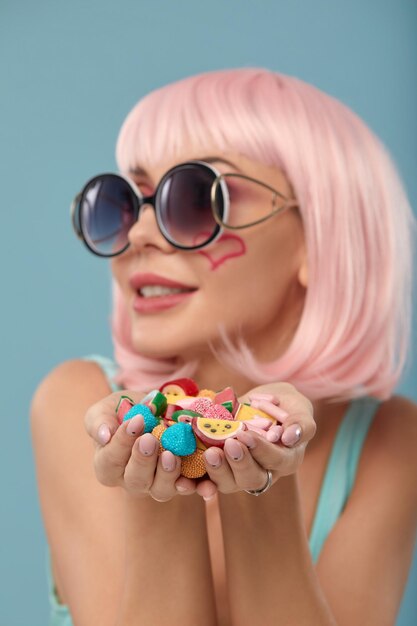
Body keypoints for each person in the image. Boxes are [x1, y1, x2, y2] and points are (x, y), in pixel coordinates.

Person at [31, 68, 417, 626]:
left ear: (319, 238)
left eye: (194, 198)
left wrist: (266, 484)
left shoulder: (391, 443)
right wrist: (157, 488)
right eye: (127, 201)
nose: (139, 234)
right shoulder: (76, 405)